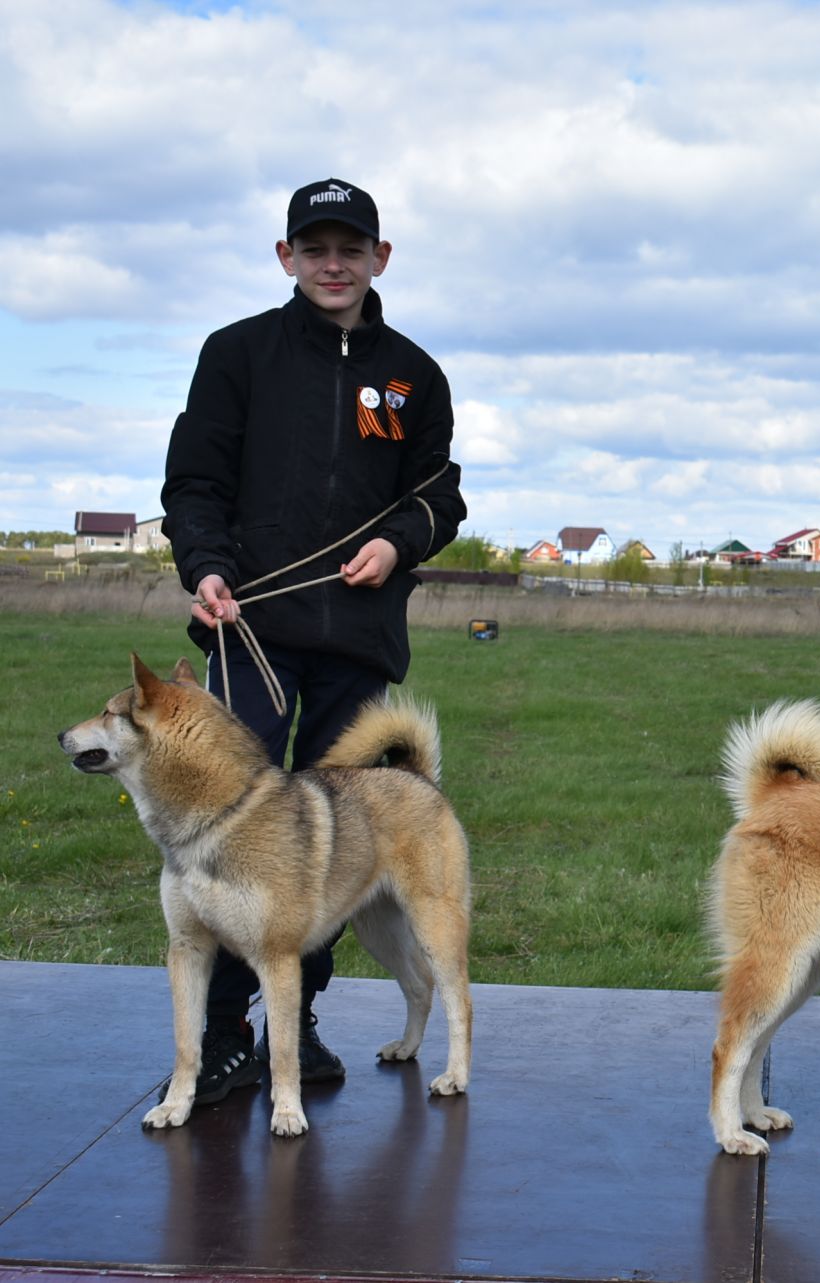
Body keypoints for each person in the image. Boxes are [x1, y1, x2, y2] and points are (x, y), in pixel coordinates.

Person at [159, 178, 466, 1105]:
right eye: (315, 247)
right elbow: (193, 483)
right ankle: (220, 1036)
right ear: (287, 257)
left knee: (326, 853)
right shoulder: (237, 355)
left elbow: (439, 497)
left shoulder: (414, 374)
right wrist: (206, 567)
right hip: (250, 630)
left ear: (380, 257)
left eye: (351, 247)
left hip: (360, 643)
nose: (334, 263)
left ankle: (299, 1023)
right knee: (231, 837)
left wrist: (397, 541)